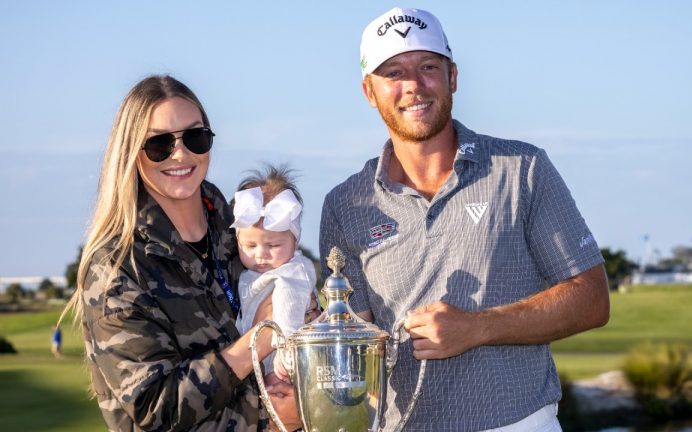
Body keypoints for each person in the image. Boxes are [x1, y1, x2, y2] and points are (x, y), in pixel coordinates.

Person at [320, 7, 610, 431]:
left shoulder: (521, 169)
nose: (414, 86)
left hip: (519, 422)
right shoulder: (346, 203)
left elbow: (592, 299)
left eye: (428, 67)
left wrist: (477, 327)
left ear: (452, 76)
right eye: (394, 73)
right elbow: (356, 345)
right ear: (370, 91)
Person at [62, 75, 305, 431]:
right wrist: (261, 340)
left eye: (196, 137)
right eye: (159, 144)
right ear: (132, 153)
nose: (181, 154)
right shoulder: (117, 266)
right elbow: (155, 408)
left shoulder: (238, 223)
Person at [231, 166, 317, 381]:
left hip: (284, 362)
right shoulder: (249, 274)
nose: (261, 255)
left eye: (273, 245)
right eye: (250, 246)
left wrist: (287, 352)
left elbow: (290, 310)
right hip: (254, 363)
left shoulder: (291, 272)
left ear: (294, 240)